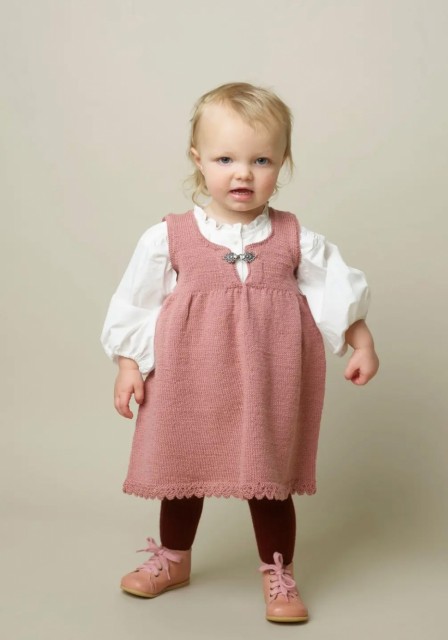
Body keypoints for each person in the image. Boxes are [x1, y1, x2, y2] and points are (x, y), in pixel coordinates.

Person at [100, 82, 379, 623]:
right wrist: (129, 364)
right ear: (198, 160)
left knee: (268, 479)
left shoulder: (295, 238)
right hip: (187, 379)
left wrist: (361, 342)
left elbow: (336, 291)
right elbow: (136, 302)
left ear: (283, 163)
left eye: (261, 160)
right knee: (184, 469)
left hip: (269, 380)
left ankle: (279, 572)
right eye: (225, 159)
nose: (243, 173)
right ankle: (173, 559)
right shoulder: (169, 237)